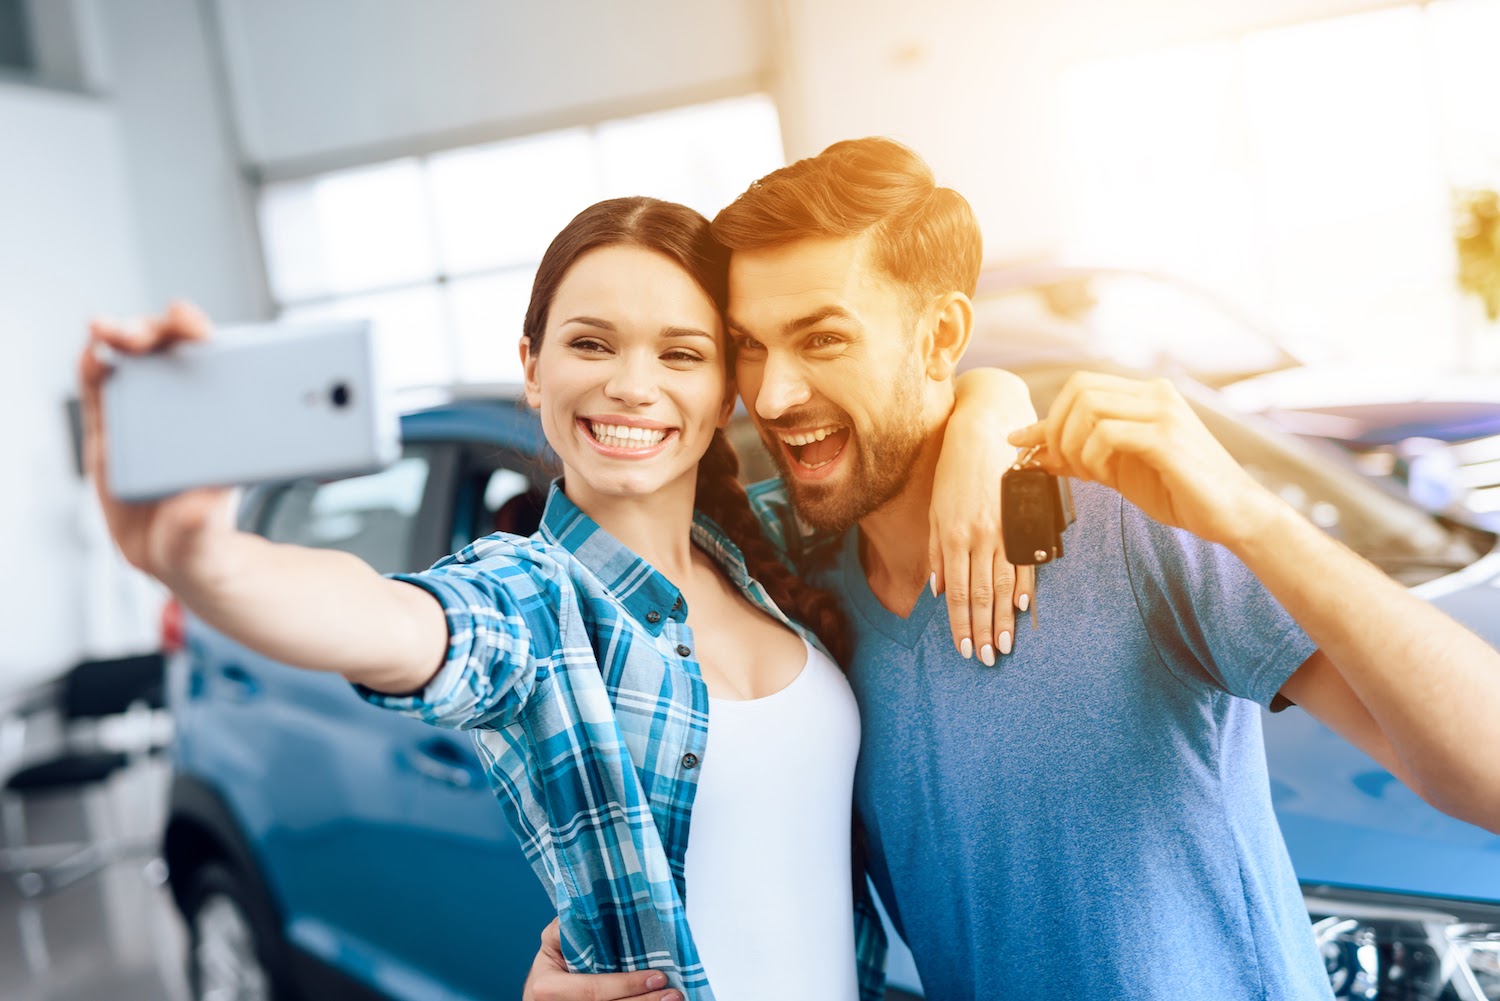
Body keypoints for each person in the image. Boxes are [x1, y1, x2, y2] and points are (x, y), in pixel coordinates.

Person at [526, 139, 1500, 1001]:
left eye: (824, 338)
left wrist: (1246, 513)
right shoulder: (780, 575)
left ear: (942, 336)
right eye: (748, 346)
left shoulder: (1123, 523)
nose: (774, 393)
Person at [78, 196, 1038, 1001]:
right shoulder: (531, 602)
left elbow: (920, 431)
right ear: (533, 365)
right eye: (591, 343)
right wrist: (202, 558)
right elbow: (391, 618)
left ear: (726, 394)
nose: (631, 386)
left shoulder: (778, 547)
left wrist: (992, 408)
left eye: (680, 353)